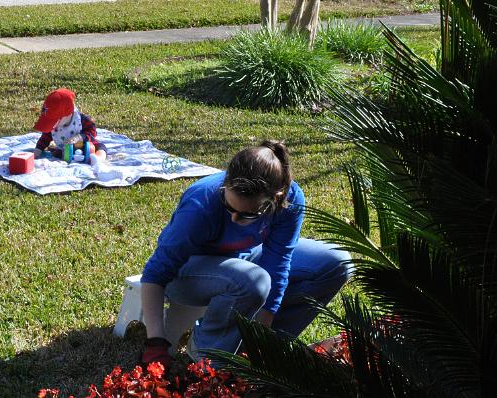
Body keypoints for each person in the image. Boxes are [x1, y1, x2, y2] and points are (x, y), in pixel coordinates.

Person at [140, 141, 352, 368]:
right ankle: (209, 355)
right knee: (254, 280)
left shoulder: (290, 200)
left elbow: (279, 262)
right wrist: (156, 343)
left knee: (337, 263)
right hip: (187, 274)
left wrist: (263, 332)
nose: (234, 219)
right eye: (229, 207)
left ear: (276, 196)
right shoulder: (200, 203)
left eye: (248, 215)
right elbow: (155, 273)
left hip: (245, 261)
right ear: (226, 183)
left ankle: (260, 348)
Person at [33, 88, 107, 163]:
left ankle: (98, 159)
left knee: (100, 146)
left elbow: (92, 131)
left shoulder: (79, 120)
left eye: (54, 121)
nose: (53, 125)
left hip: (84, 144)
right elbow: (45, 138)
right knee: (56, 152)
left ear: (67, 114)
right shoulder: (53, 126)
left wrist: (80, 137)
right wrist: (37, 150)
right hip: (65, 149)